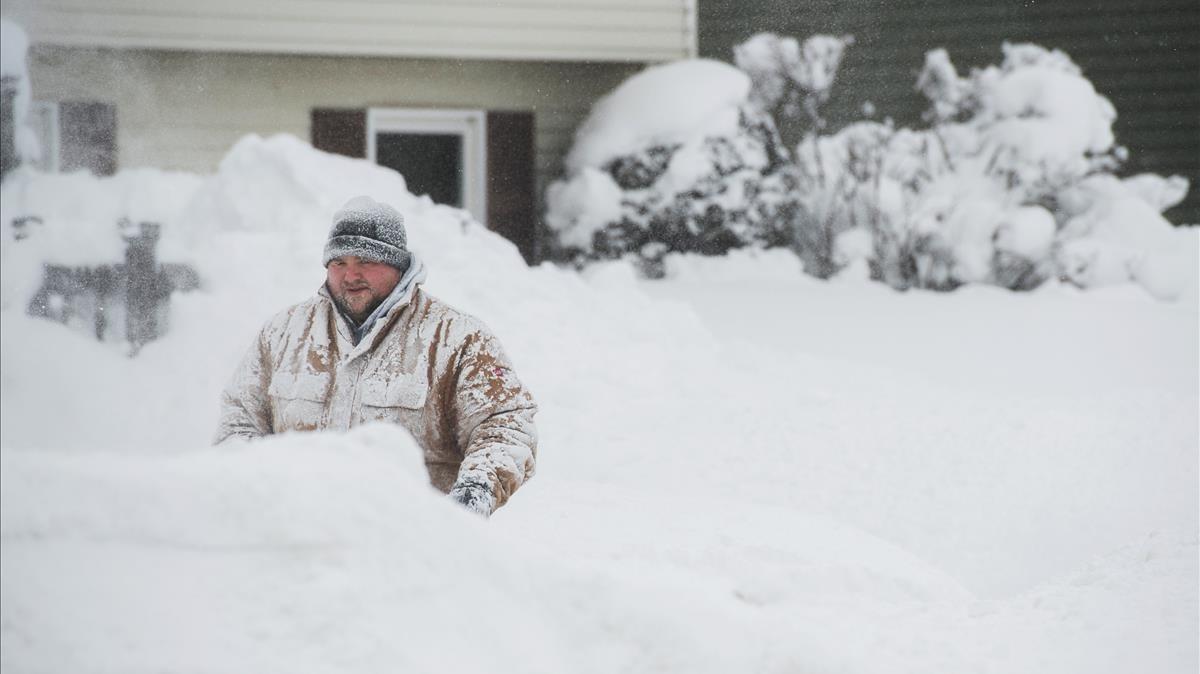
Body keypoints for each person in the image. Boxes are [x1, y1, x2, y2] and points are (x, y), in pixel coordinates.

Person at [214, 196, 537, 516]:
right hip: (298, 536)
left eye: (365, 262)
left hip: (408, 542)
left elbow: (504, 425)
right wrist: (244, 489)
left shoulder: (456, 338)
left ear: (397, 266)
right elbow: (241, 418)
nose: (351, 276)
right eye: (339, 263)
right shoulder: (283, 333)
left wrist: (476, 489)